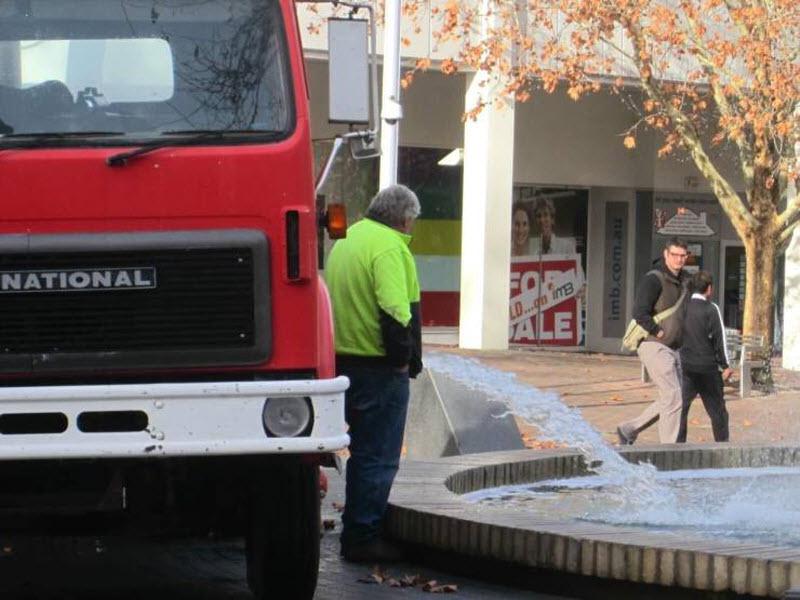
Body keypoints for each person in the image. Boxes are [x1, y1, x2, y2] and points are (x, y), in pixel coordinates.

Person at [325, 184, 423, 563]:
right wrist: (402, 359)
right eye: (412, 222)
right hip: (379, 369)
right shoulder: (388, 246)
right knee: (377, 457)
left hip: (340, 364)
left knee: (360, 454)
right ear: (403, 218)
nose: (412, 229)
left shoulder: (347, 240)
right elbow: (396, 309)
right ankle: (363, 537)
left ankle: (357, 527)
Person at [616, 237, 689, 445]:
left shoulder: (684, 281)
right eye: (675, 255)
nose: (679, 260)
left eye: (683, 255)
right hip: (654, 345)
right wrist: (658, 332)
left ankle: (628, 429)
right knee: (673, 395)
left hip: (674, 348)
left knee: (673, 398)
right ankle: (669, 451)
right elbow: (639, 312)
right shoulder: (654, 279)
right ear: (666, 254)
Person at [677, 271, 733, 442]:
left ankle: (678, 445)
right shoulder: (711, 308)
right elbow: (719, 339)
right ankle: (722, 446)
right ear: (709, 289)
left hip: (686, 367)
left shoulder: (683, 307)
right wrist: (726, 365)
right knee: (718, 412)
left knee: (681, 409)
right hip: (708, 368)